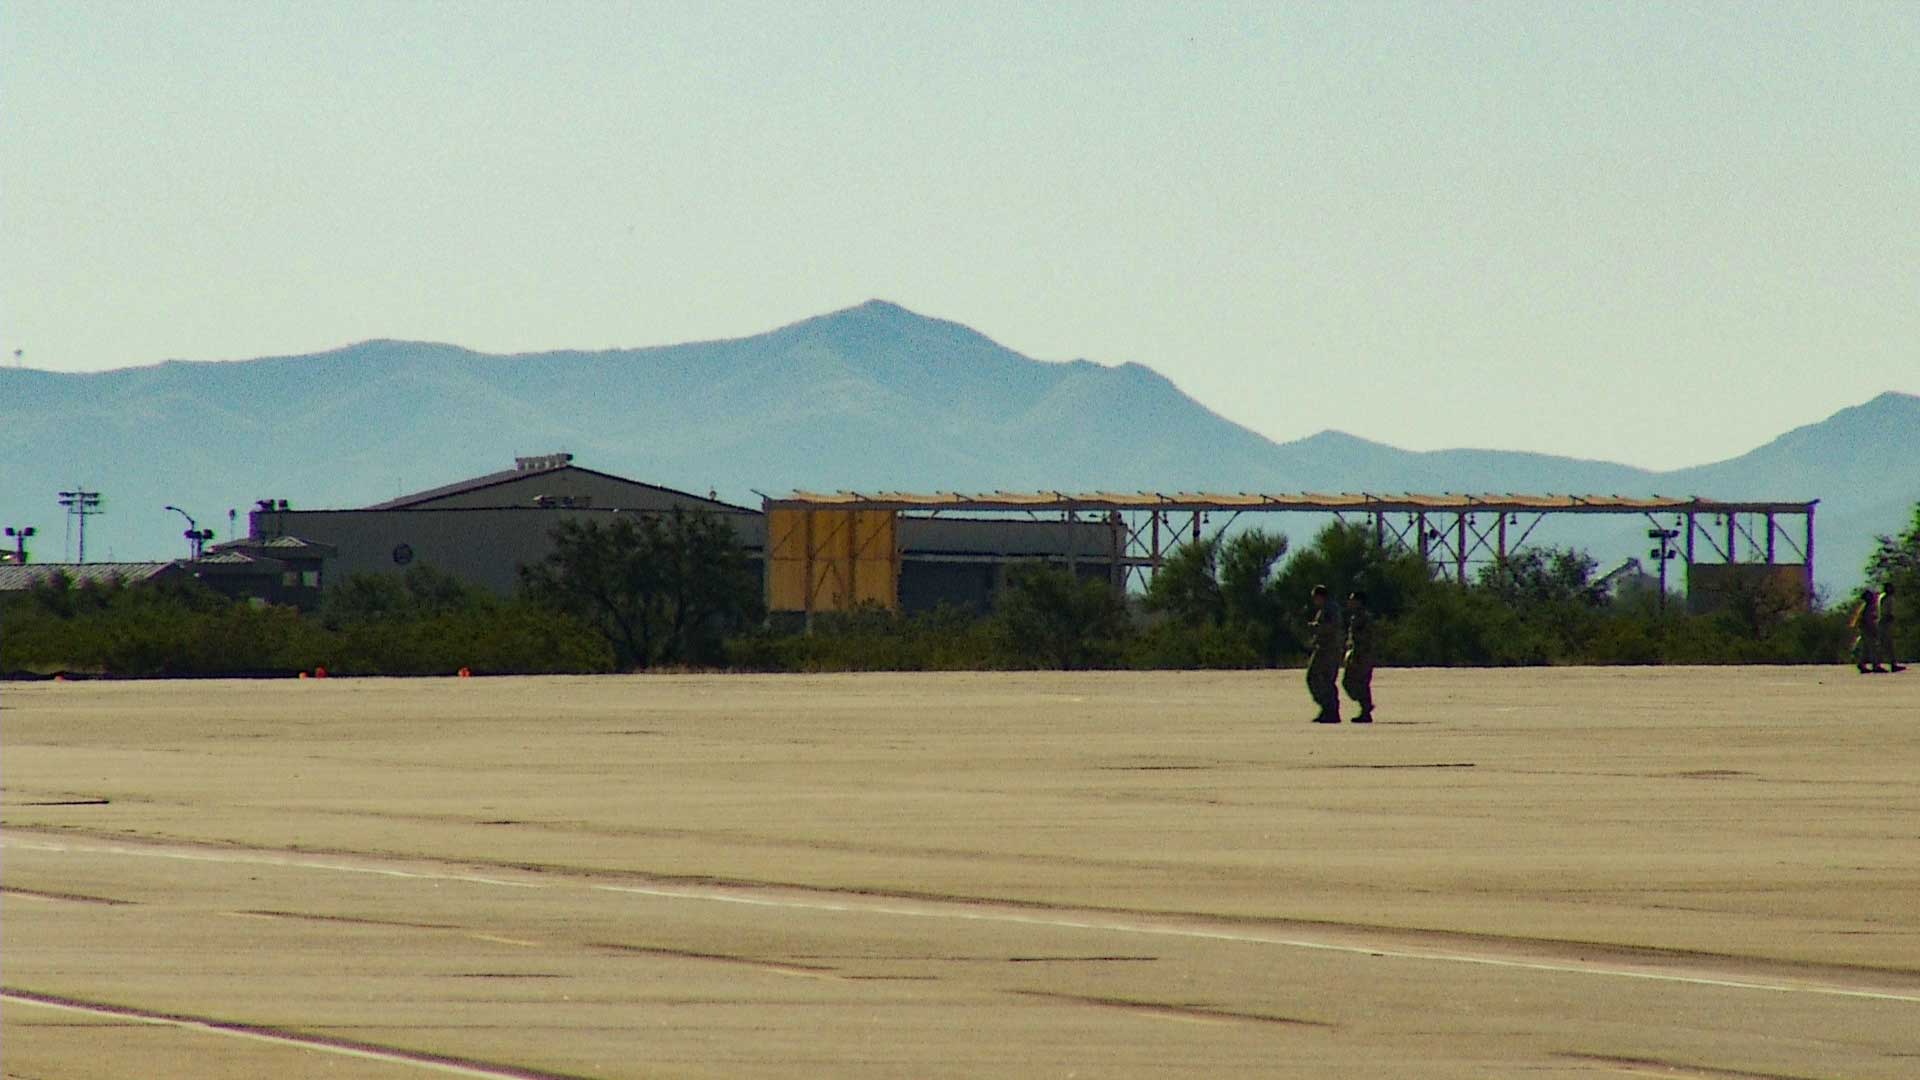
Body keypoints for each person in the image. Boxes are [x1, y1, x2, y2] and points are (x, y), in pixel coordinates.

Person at [1306, 584, 1342, 723]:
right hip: (1326, 648)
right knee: (1325, 680)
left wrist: (1314, 627)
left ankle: (1329, 709)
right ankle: (1329, 710)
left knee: (1316, 678)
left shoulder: (1329, 609)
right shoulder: (1327, 609)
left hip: (1327, 650)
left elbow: (1330, 627)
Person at [1342, 590, 1376, 723]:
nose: (1350, 603)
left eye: (1353, 600)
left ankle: (1365, 709)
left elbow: (1366, 638)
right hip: (1355, 654)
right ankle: (1365, 706)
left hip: (1363, 655)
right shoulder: (1355, 617)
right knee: (1350, 682)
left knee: (1360, 682)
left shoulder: (1364, 618)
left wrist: (1358, 654)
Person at [1855, 588, 1886, 674]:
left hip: (1865, 629)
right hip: (1867, 630)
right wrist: (1873, 630)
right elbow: (1868, 620)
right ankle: (1875, 665)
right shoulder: (1867, 607)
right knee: (1873, 648)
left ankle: (1862, 664)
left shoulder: (1866, 606)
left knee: (1866, 649)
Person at [1879, 584, 1905, 673]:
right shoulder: (1887, 598)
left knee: (1887, 645)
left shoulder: (1883, 597)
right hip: (1885, 623)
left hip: (1885, 623)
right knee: (1886, 644)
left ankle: (1892, 663)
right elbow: (1885, 611)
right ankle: (1884, 664)